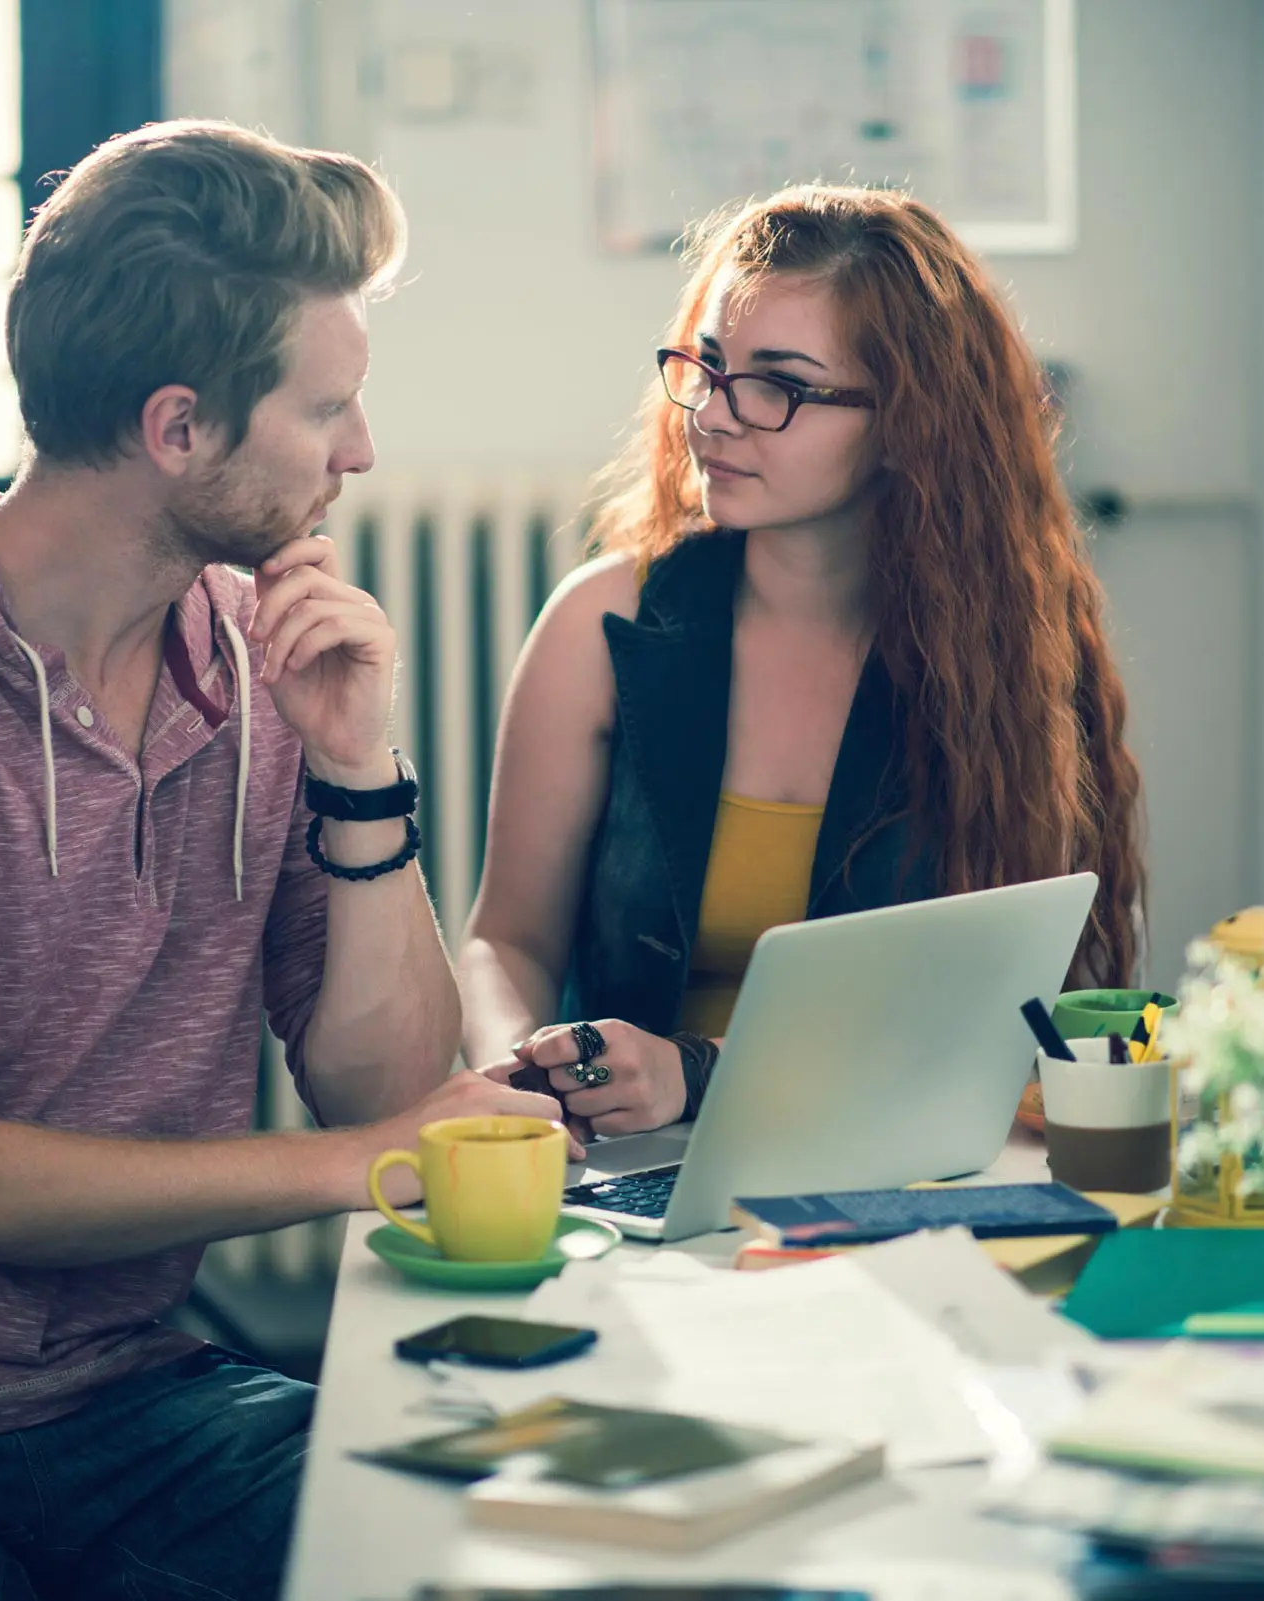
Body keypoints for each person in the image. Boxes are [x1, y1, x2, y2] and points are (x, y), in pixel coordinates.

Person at [0, 120, 567, 1601]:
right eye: (326, 408)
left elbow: (382, 1094)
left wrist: (357, 772)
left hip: (125, 1392)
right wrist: (356, 1168)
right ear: (179, 427)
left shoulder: (263, 668)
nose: (361, 452)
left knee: (474, 1554)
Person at [459, 184, 1147, 1139]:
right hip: (625, 1164)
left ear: (910, 422)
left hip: (886, 1146)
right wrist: (525, 1078)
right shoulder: (600, 622)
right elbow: (506, 938)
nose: (714, 415)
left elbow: (992, 1013)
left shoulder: (1007, 655)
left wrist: (700, 1073)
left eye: (777, 384)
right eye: (706, 365)